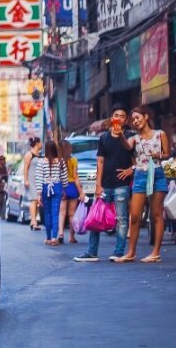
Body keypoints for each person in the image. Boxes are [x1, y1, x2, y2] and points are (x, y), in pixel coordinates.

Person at [75, 106, 135, 263]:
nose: (119, 118)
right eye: (116, 115)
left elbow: (136, 158)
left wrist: (131, 169)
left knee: (121, 219)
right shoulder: (103, 138)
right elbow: (100, 161)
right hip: (105, 184)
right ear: (111, 118)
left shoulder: (130, 136)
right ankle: (92, 252)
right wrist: (97, 184)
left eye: (122, 116)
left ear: (126, 120)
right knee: (96, 217)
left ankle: (119, 252)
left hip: (122, 184)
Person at [116, 105, 170, 263]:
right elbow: (127, 146)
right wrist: (120, 135)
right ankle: (131, 252)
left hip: (157, 173)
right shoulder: (134, 138)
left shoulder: (160, 134)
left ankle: (156, 252)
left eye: (138, 117)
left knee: (157, 214)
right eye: (133, 119)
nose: (135, 121)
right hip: (140, 175)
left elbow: (167, 154)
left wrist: (159, 154)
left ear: (146, 117)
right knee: (135, 216)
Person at [34, 140, 68, 246]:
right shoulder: (60, 161)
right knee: (55, 214)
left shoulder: (41, 162)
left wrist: (39, 194)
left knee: (47, 214)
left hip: (45, 188)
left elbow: (39, 178)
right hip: (57, 187)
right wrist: (64, 189)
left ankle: (48, 238)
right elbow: (64, 177)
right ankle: (54, 237)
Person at [57, 140, 85, 244]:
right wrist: (81, 192)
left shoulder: (58, 161)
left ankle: (60, 233)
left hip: (61, 187)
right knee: (72, 214)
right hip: (72, 187)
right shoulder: (73, 160)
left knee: (62, 213)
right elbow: (75, 177)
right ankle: (72, 237)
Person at [24, 137, 42, 231]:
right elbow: (25, 168)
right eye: (40, 143)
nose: (41, 144)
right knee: (33, 200)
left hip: (38, 179)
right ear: (37, 143)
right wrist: (26, 180)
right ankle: (34, 221)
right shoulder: (29, 154)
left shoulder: (40, 154)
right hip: (31, 179)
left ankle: (33, 221)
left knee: (37, 201)